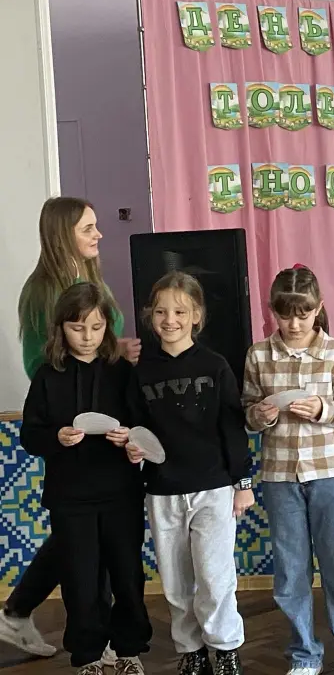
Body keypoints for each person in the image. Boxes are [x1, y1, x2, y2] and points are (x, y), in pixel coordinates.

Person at [2, 196, 141, 664]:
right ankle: (85, 639)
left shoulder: (92, 278)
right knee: (79, 550)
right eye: (88, 228)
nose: (98, 234)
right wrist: (72, 404)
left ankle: (26, 613)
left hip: (106, 452)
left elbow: (105, 349)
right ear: (63, 234)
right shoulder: (42, 291)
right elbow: (39, 364)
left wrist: (117, 353)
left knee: (87, 547)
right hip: (76, 446)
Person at [243, 266, 334, 675]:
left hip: (331, 472)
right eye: (285, 315)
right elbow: (247, 412)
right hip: (280, 476)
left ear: (318, 308)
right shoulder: (258, 355)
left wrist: (323, 409)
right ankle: (304, 654)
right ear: (272, 311)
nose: (294, 323)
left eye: (303, 314)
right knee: (291, 571)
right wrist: (259, 415)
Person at [19, 283, 152, 675]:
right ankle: (89, 656)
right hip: (69, 496)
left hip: (120, 493)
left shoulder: (121, 372)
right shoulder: (48, 375)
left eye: (96, 327)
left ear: (107, 326)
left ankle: (129, 650)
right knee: (79, 579)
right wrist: (56, 437)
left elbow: (143, 428)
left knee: (127, 575)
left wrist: (130, 439)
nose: (88, 336)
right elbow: (30, 435)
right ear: (61, 327)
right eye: (78, 328)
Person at [125, 272, 253, 675]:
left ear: (197, 315)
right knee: (176, 582)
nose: (170, 320)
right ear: (150, 316)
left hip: (213, 488)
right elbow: (136, 427)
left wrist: (243, 483)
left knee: (215, 577)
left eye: (180, 312)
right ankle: (191, 650)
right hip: (162, 490)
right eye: (161, 312)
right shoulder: (140, 371)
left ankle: (226, 648)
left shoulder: (215, 366)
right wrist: (133, 448)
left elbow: (232, 427)